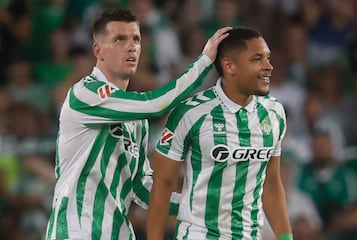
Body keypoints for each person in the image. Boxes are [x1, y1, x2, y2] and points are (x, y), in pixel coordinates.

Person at [45, 8, 231, 240]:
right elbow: (155, 104)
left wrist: (197, 204)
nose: (131, 46)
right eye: (119, 39)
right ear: (98, 50)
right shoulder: (85, 94)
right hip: (76, 232)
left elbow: (142, 190)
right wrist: (204, 62)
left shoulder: (137, 119)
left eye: (136, 39)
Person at [147, 27, 293, 240]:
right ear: (229, 65)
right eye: (257, 59)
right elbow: (163, 185)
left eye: (268, 58)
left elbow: (270, 181)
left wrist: (286, 237)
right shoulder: (191, 113)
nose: (268, 67)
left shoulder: (274, 112)